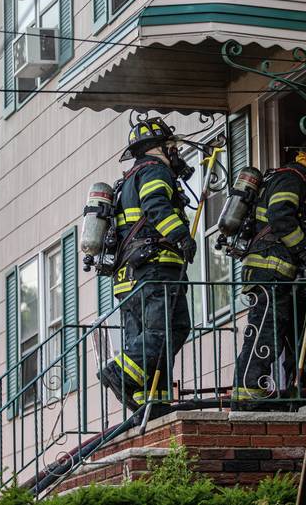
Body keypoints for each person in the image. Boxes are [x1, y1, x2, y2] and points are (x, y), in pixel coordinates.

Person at [98, 118, 196, 412]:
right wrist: (181, 236)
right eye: (172, 145)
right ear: (159, 147)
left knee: (146, 336)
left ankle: (150, 400)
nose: (176, 151)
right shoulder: (155, 170)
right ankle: (120, 372)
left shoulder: (125, 181)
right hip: (155, 268)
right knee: (170, 329)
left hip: (128, 275)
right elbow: (156, 206)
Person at [231, 150, 306, 410]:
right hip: (271, 273)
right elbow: (281, 216)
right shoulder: (294, 177)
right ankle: (248, 392)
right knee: (265, 334)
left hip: (280, 276)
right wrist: (304, 249)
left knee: (297, 334)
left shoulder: (284, 177)